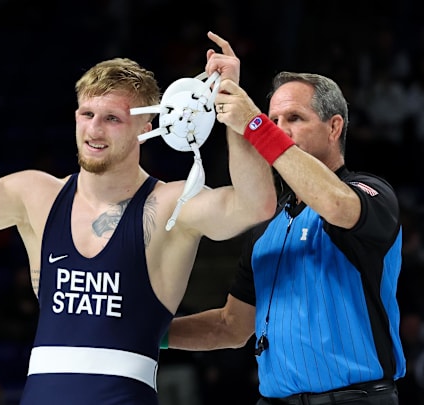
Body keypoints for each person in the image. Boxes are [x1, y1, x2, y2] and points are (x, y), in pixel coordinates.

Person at [0, 20, 276, 405]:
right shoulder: (37, 196)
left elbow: (255, 204)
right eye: (87, 114)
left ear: (147, 127)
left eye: (112, 118)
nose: (95, 129)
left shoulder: (172, 205)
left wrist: (234, 108)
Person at [165, 65, 406, 403]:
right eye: (273, 120)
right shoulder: (267, 226)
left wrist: (255, 124)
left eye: (294, 118)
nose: (278, 129)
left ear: (334, 126)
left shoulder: (369, 192)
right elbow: (230, 327)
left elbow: (334, 204)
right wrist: (150, 334)